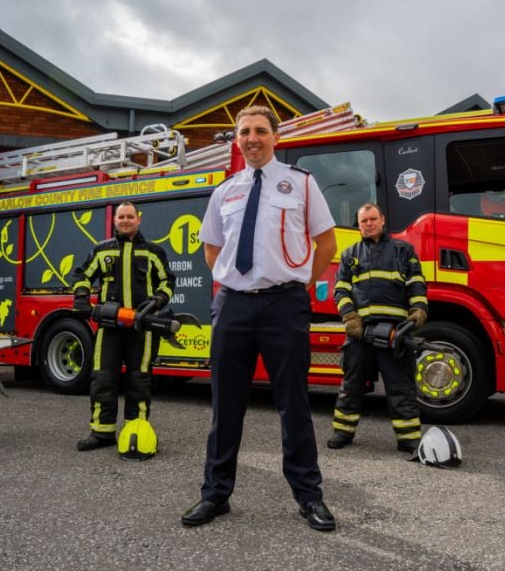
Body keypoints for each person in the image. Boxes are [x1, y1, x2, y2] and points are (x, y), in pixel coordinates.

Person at [181, 105, 338, 531]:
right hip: (232, 304)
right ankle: (215, 495)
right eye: (245, 132)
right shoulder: (224, 191)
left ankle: (310, 498)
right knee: (225, 406)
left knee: (294, 404)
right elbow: (212, 247)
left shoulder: (301, 184)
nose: (252, 138)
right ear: (237, 140)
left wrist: (301, 284)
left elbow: (326, 242)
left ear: (275, 137)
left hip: (283, 304)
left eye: (260, 131)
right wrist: (228, 280)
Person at [70, 201, 175, 452]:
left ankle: (135, 431)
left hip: (144, 325)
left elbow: (167, 280)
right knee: (103, 377)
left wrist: (158, 299)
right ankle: (102, 432)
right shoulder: (101, 251)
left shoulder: (153, 252)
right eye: (121, 217)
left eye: (130, 216)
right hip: (110, 324)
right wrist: (82, 297)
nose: (125, 220)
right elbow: (82, 275)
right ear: (115, 221)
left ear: (138, 219)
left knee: (139, 379)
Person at [327, 203, 428, 452]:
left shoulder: (403, 250)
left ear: (382, 220)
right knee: (351, 385)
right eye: (363, 221)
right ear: (358, 225)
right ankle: (343, 432)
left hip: (394, 333)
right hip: (361, 333)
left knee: (400, 386)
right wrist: (351, 320)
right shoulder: (350, 254)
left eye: (372, 219)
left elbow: (416, 284)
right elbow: (340, 290)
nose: (368, 224)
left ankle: (409, 438)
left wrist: (418, 312)